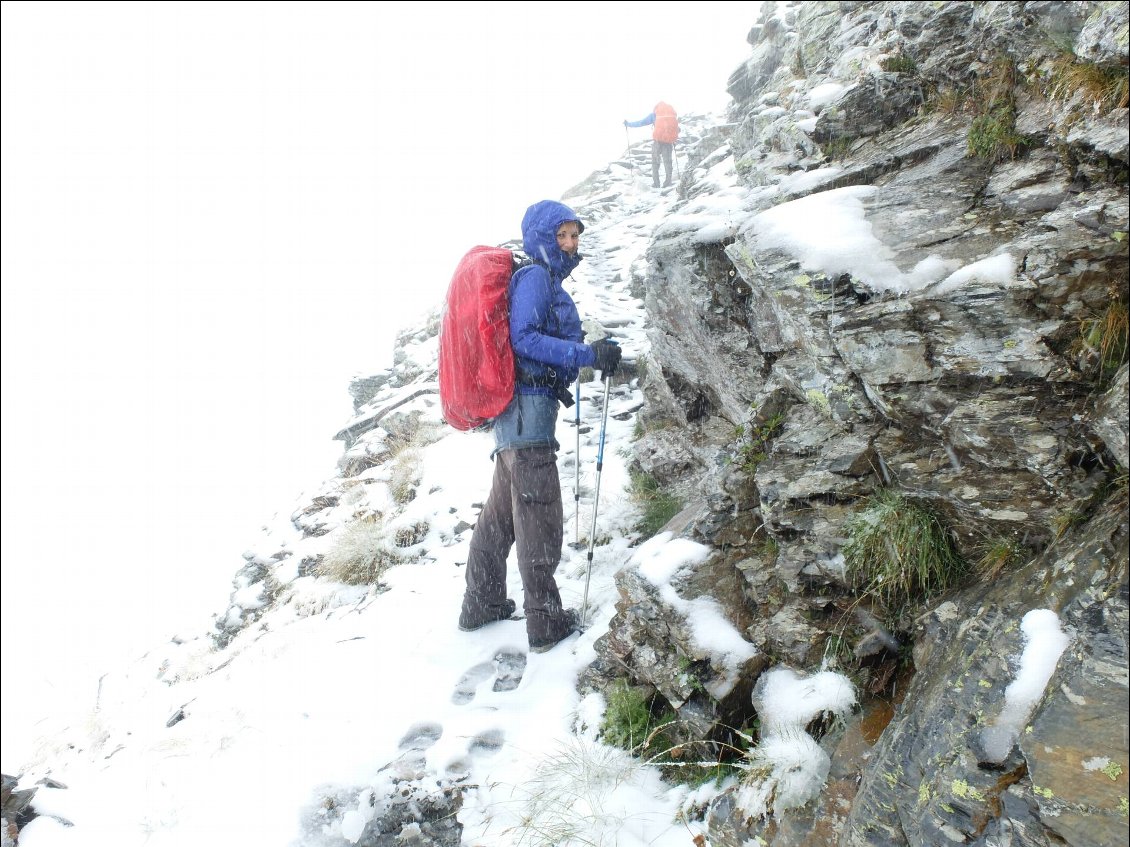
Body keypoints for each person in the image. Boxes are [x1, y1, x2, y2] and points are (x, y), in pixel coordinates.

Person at [457, 199, 622, 654]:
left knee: (499, 519)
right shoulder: (534, 278)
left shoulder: (539, 278)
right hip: (526, 420)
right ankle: (545, 623)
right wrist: (588, 355)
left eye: (574, 235)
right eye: (562, 235)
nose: (570, 244)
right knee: (539, 517)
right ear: (542, 238)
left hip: (516, 419)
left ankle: (481, 603)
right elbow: (524, 338)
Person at [624, 101, 679, 188]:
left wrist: (628, 124)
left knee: (655, 164)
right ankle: (667, 183)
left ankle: (656, 184)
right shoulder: (671, 115)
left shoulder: (654, 115)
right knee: (668, 163)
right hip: (668, 143)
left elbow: (641, 122)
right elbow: (676, 128)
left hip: (657, 142)